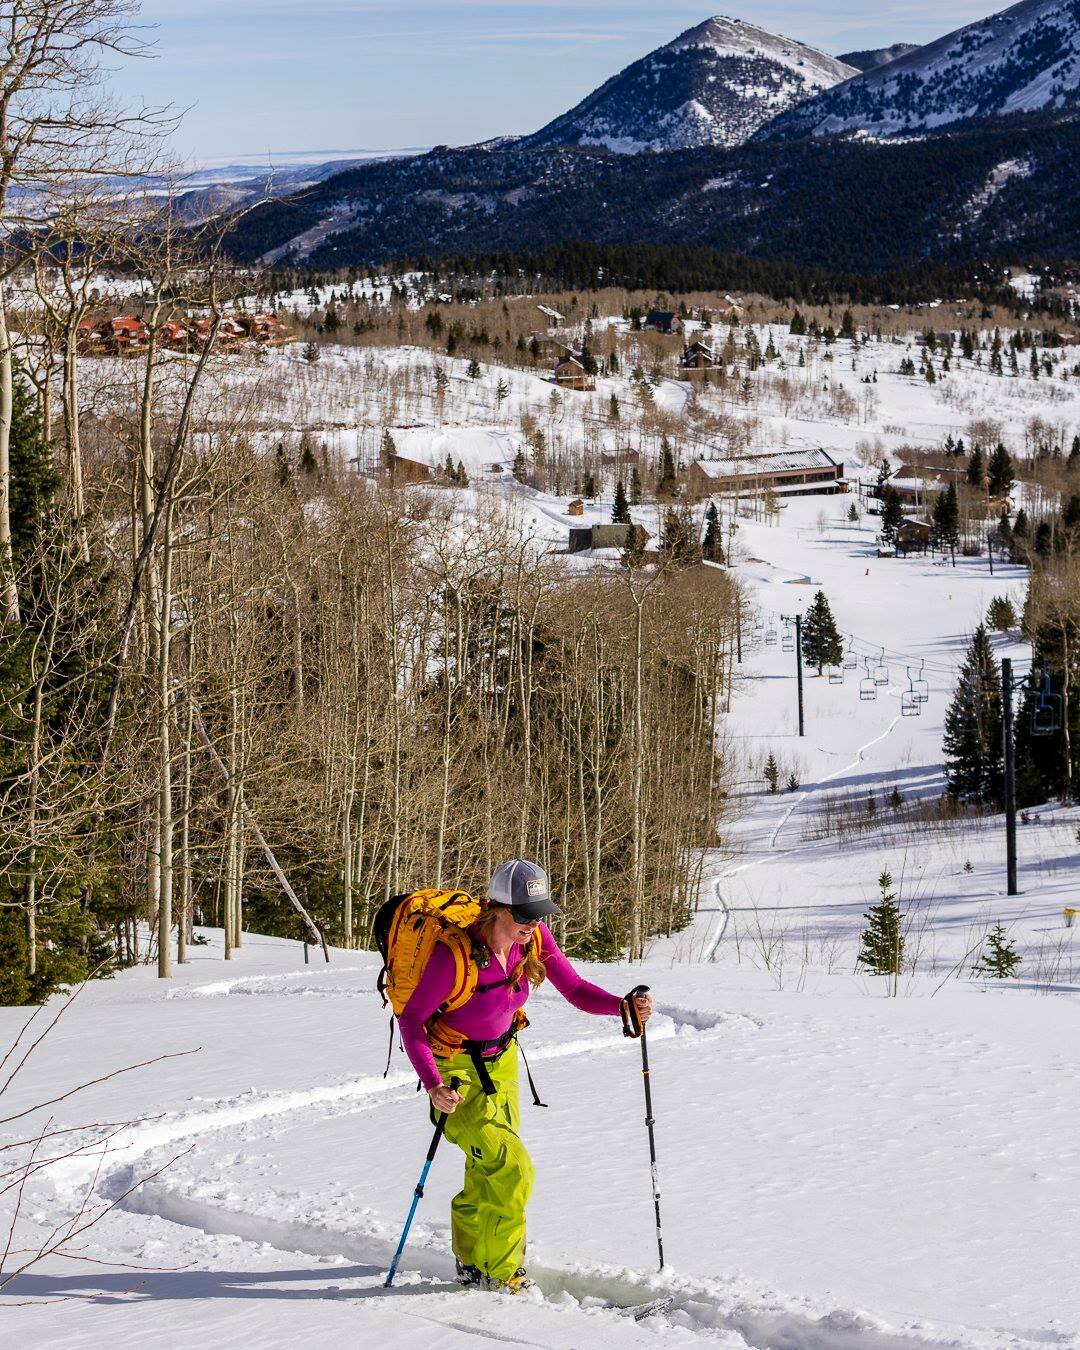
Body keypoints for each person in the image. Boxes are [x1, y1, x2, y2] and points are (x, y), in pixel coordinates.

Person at [397, 858, 654, 1294]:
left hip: (503, 1062)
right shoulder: (452, 955)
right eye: (522, 915)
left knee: (489, 1166)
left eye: (539, 914)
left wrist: (621, 1006)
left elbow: (574, 989)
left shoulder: (531, 940)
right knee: (513, 1168)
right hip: (454, 1070)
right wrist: (433, 1085)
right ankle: (501, 1272)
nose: (531, 924)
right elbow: (411, 1022)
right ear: (495, 909)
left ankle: (471, 1258)